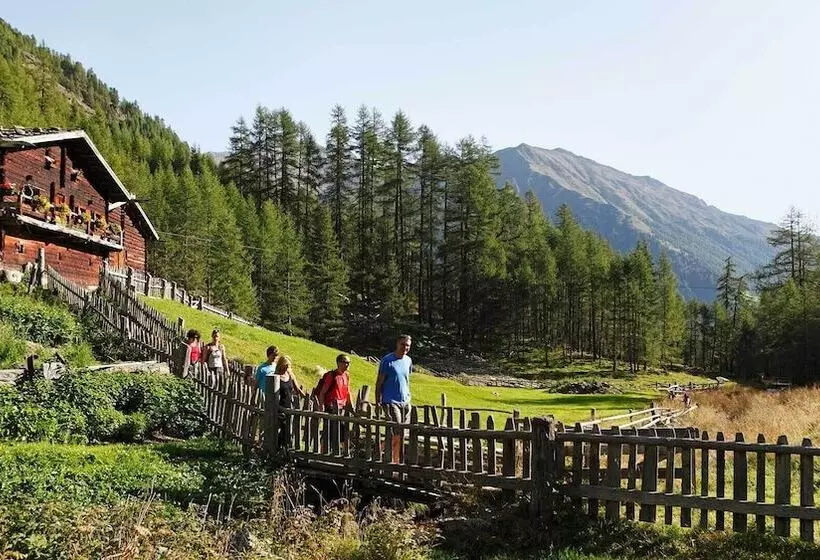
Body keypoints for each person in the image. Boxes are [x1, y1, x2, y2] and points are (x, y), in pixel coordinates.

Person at [375, 334, 412, 463]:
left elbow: (405, 380)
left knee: (402, 433)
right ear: (397, 344)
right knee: (396, 430)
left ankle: (395, 460)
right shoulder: (387, 361)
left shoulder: (408, 360)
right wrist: (378, 401)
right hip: (391, 401)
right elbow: (379, 382)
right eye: (403, 344)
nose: (405, 347)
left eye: (407, 345)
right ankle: (380, 452)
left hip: (405, 401)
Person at [317, 354, 353, 451]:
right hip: (331, 408)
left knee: (342, 432)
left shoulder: (346, 375)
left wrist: (351, 406)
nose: (347, 365)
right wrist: (321, 405)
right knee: (328, 432)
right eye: (344, 362)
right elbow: (323, 392)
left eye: (348, 363)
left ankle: (343, 452)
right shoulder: (332, 375)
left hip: (341, 409)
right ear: (338, 363)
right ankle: (323, 452)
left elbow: (348, 391)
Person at [273, 355, 306, 448]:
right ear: (281, 365)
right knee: (283, 428)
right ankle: (280, 447)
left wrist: (305, 397)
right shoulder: (276, 377)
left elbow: (297, 389)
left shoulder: (289, 374)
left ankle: (283, 447)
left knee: (288, 429)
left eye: (288, 366)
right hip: (280, 406)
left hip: (289, 405)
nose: (286, 368)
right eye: (285, 366)